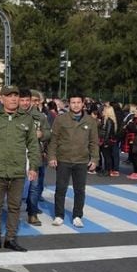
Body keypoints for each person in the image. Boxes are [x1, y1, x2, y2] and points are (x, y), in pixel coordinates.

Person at [0, 85, 40, 252]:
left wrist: (33, 167)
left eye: (15, 96)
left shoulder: (26, 119)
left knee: (15, 206)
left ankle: (11, 238)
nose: (13, 99)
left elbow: (33, 145)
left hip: (18, 170)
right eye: (9, 96)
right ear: (2, 99)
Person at [47, 92, 99, 228]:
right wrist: (52, 156)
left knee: (80, 190)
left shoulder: (90, 121)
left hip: (81, 161)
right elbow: (54, 140)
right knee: (61, 189)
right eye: (73, 102)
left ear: (83, 104)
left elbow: (94, 142)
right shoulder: (61, 119)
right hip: (63, 159)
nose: (75, 105)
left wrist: (94, 159)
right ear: (69, 104)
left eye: (78, 102)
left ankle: (77, 216)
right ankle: (59, 215)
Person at [20, 89, 51, 226]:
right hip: (16, 155)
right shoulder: (12, 114)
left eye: (28, 100)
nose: (26, 103)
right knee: (14, 186)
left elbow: (49, 133)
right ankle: (12, 213)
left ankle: (32, 213)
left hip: (34, 155)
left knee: (34, 186)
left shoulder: (40, 116)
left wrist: (42, 135)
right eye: (23, 100)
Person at [98, 105, 117, 177]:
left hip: (107, 140)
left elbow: (108, 132)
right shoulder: (106, 120)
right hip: (106, 139)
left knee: (107, 156)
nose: (102, 112)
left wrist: (105, 142)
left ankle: (108, 170)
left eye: (104, 110)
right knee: (106, 156)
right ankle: (107, 169)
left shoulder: (109, 121)